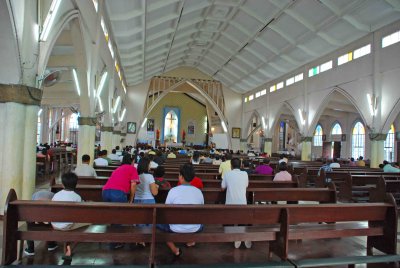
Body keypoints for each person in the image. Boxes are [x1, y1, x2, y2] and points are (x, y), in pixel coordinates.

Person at [157, 164, 204, 256]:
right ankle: (191, 241)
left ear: (181, 177)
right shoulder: (198, 192)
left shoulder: (173, 191)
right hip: (195, 228)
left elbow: (166, 210)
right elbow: (201, 211)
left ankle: (175, 249)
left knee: (158, 223)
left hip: (175, 228)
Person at [51, 173, 89, 259]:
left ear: (62, 184)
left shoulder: (56, 195)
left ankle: (67, 243)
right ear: (76, 184)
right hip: (68, 226)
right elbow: (81, 212)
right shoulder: (77, 197)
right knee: (89, 221)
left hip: (55, 225)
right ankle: (70, 244)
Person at [221, 158, 251, 249]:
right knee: (242, 217)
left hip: (230, 204)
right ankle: (241, 235)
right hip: (242, 203)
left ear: (231, 166)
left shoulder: (227, 174)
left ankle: (235, 235)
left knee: (230, 217)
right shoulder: (245, 174)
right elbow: (246, 185)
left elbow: (222, 187)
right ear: (241, 165)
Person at [24, 190, 57, 256]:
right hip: (50, 212)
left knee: (29, 222)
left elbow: (32, 209)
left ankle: (30, 249)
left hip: (35, 211)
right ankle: (51, 244)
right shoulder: (54, 195)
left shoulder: (35, 195)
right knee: (51, 219)